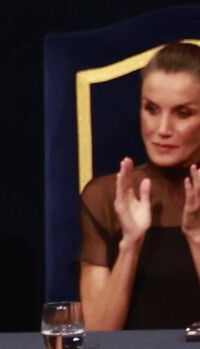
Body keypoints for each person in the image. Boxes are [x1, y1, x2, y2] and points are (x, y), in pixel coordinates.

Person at [79, 41, 200, 330]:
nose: (162, 129)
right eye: (151, 109)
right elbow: (100, 331)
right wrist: (130, 244)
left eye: (183, 113)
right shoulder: (106, 197)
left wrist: (196, 237)